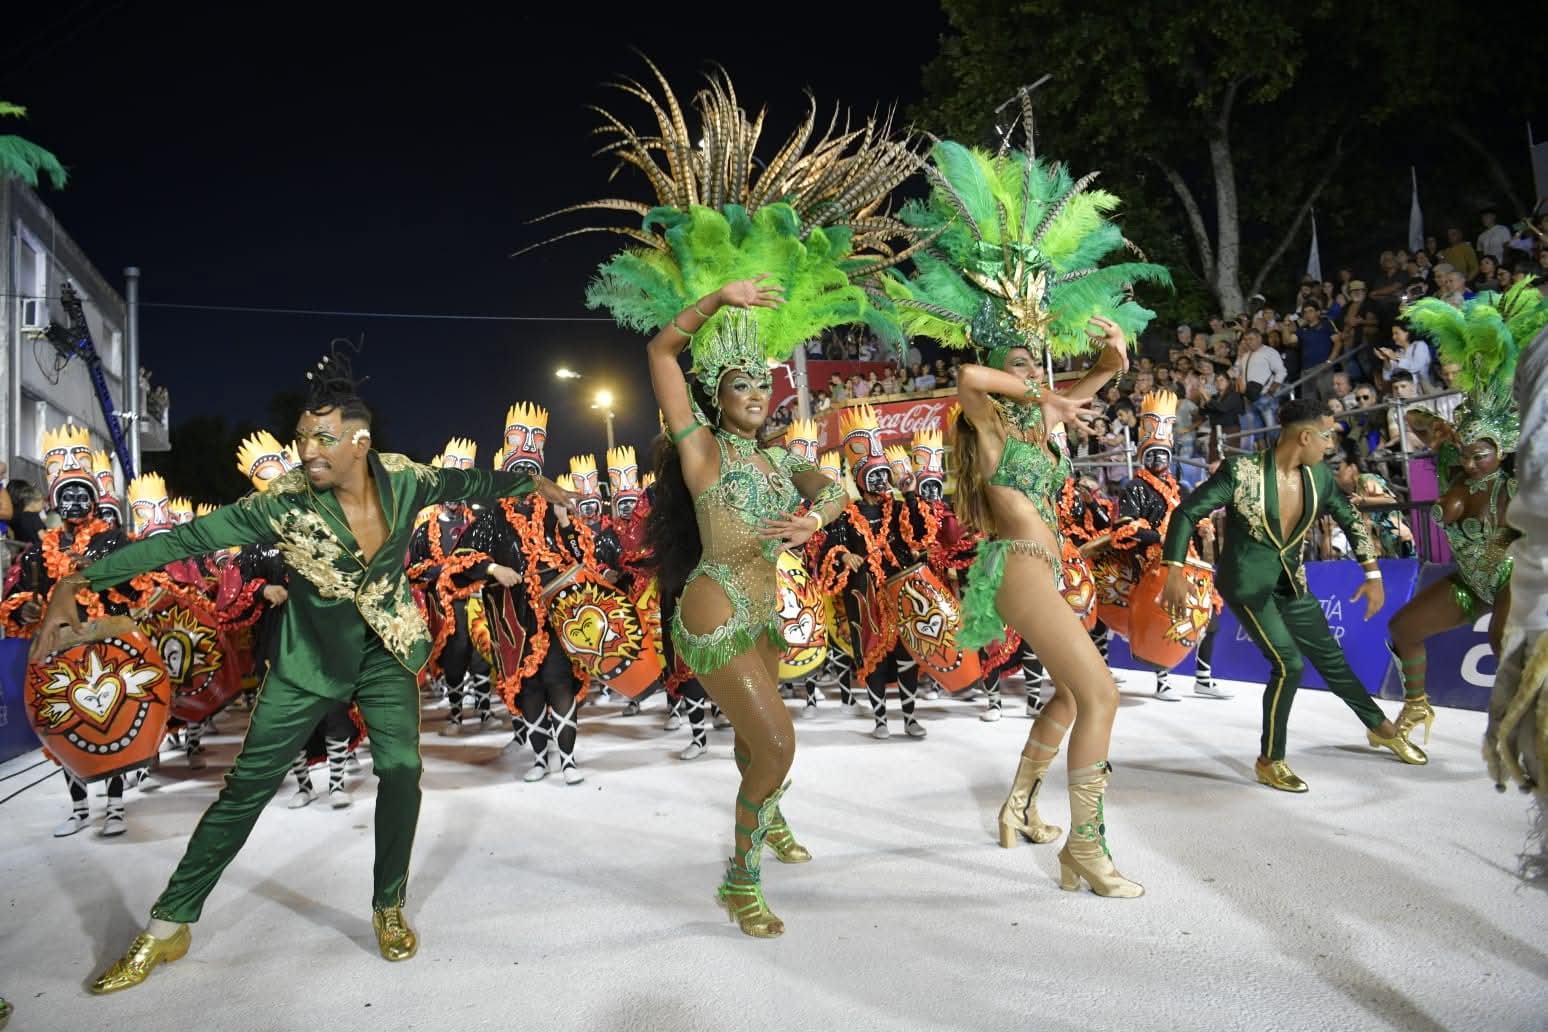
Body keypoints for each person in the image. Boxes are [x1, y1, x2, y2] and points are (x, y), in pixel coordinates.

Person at [57, 346, 570, 992]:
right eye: (302, 438)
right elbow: (186, 540)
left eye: (322, 439)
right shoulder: (282, 503)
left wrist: (533, 484)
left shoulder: (405, 479)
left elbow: (471, 484)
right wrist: (82, 579)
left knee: (402, 769)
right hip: (307, 661)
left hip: (386, 650)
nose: (307, 451)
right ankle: (168, 924)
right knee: (245, 789)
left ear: (360, 443)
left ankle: (388, 903)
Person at [1160, 399, 1428, 794]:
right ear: (1305, 437)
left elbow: (1349, 518)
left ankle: (1380, 728)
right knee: (1288, 665)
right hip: (1248, 586)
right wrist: (1173, 569)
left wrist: (1372, 573)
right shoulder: (1241, 471)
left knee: (1332, 660)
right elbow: (1186, 512)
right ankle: (1270, 760)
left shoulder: (1319, 476)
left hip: (1292, 583)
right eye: (1327, 435)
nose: (1331, 444)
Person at [1392, 281, 1547, 749]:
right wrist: (1447, 434)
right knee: (1403, 628)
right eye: (1466, 453)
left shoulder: (1519, 476)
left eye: (1481, 455)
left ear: (1501, 451)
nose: (1471, 462)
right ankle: (1416, 705)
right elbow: (1416, 421)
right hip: (1472, 580)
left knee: (1503, 640)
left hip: (1516, 574)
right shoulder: (1452, 464)